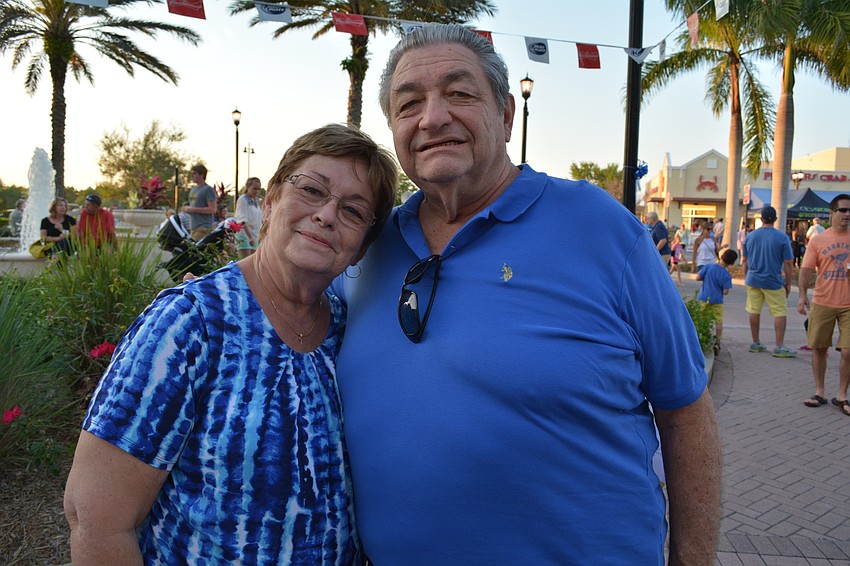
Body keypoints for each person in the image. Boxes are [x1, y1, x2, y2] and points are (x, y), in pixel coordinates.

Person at [331, 24, 720, 565]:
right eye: (409, 104)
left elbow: (685, 410)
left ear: (507, 114)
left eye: (459, 93)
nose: (432, 117)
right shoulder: (364, 247)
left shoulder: (599, 228)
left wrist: (692, 559)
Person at [63, 124, 399, 565]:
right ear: (271, 199)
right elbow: (96, 518)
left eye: (353, 211)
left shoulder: (347, 331)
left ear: (362, 247)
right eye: (312, 190)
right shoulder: (191, 322)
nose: (327, 214)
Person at [797, 194, 850, 416]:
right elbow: (807, 269)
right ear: (831, 213)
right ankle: (819, 392)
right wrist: (802, 295)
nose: (848, 214)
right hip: (823, 301)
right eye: (843, 210)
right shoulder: (818, 240)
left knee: (848, 351)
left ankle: (842, 395)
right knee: (819, 348)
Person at [742, 205, 795, 357]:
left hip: (753, 278)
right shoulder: (782, 238)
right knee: (779, 311)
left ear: (761, 219)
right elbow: (788, 262)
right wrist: (788, 282)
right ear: (775, 219)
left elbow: (744, 260)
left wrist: (746, 277)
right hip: (773, 280)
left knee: (754, 310)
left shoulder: (750, 236)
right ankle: (779, 346)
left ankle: (756, 342)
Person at [697, 249, 738, 347]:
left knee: (700, 317)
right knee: (718, 321)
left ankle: (700, 337)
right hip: (717, 300)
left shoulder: (708, 267)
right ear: (732, 263)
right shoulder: (726, 275)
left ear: (721, 256)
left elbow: (698, 277)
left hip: (703, 297)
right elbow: (725, 292)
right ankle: (717, 342)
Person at [182, 164, 217, 241]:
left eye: (194, 173)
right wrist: (186, 207)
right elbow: (191, 204)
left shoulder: (208, 189)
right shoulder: (193, 189)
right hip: (192, 227)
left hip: (203, 228)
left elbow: (212, 209)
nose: (192, 176)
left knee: (195, 247)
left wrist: (193, 209)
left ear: (202, 175)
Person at [235, 176, 262, 259]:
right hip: (245, 234)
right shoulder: (242, 199)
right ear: (248, 187)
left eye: (258, 189)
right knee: (245, 260)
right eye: (254, 189)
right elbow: (242, 220)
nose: (257, 191)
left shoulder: (256, 200)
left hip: (255, 234)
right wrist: (250, 237)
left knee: (254, 261)